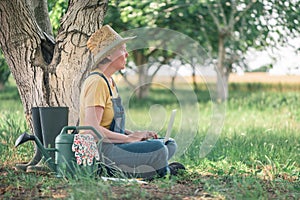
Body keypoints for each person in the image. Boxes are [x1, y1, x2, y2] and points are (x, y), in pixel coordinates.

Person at [79, 25, 184, 179]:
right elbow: (91, 130)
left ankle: (152, 168)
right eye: (122, 49)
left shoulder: (109, 81)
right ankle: (158, 171)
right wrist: (129, 139)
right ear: (108, 55)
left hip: (114, 145)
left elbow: (109, 125)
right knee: (159, 149)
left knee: (169, 144)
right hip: (100, 152)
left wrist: (134, 134)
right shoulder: (97, 82)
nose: (127, 54)